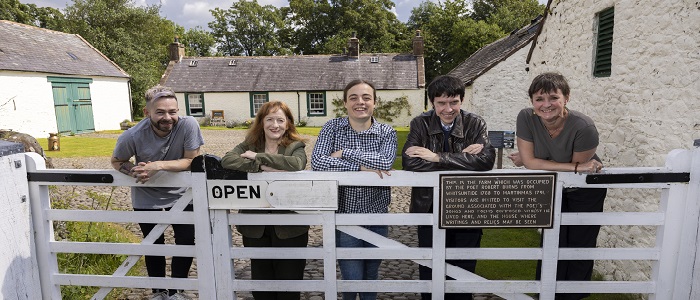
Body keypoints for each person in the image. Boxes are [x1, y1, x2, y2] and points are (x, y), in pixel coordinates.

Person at [508, 72, 607, 300]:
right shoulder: (526, 117)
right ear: (532, 102)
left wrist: (532, 158)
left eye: (553, 97)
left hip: (585, 190)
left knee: (580, 242)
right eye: (539, 99)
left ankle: (573, 296)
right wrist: (532, 160)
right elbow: (545, 164)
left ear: (566, 98)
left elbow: (576, 168)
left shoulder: (584, 127)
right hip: (555, 184)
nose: (546, 105)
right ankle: (545, 293)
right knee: (552, 239)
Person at [402, 75, 496, 300]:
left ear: (461, 101)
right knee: (430, 266)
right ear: (432, 103)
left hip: (467, 206)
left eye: (453, 102)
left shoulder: (475, 123)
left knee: (463, 267)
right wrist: (462, 159)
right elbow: (410, 161)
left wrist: (435, 157)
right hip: (429, 206)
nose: (448, 108)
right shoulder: (420, 123)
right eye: (441, 103)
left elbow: (486, 160)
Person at [111, 85, 204, 300]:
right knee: (153, 243)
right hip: (146, 195)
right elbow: (117, 161)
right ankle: (158, 292)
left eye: (172, 111)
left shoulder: (188, 125)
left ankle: (177, 291)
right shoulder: (132, 135)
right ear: (147, 113)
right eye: (160, 112)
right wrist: (133, 170)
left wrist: (157, 166)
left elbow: (191, 160)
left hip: (182, 193)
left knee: (186, 241)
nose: (168, 117)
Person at [311, 79, 397, 300]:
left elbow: (385, 161)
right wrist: (360, 167)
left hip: (377, 213)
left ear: (374, 103)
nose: (360, 102)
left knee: (371, 273)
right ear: (345, 103)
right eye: (354, 97)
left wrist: (344, 153)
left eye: (366, 97)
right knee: (351, 276)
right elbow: (318, 163)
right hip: (344, 215)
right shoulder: (332, 127)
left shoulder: (386, 131)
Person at [220, 101, 308, 300]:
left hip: (290, 226)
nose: (274, 125)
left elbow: (296, 164)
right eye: (269, 119)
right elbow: (227, 160)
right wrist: (261, 167)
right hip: (255, 226)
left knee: (289, 283)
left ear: (288, 123)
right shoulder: (249, 144)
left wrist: (256, 158)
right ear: (261, 122)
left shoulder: (295, 145)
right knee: (261, 285)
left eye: (280, 120)